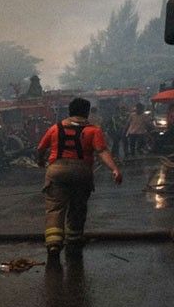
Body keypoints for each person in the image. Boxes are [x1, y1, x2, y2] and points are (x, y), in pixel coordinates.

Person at [36, 98, 122, 259]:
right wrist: (115, 169)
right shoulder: (93, 130)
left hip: (57, 171)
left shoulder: (55, 128)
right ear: (87, 112)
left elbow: (41, 148)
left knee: (55, 209)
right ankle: (74, 240)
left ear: (69, 111)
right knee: (78, 207)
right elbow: (102, 151)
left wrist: (40, 161)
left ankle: (54, 244)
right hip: (82, 172)